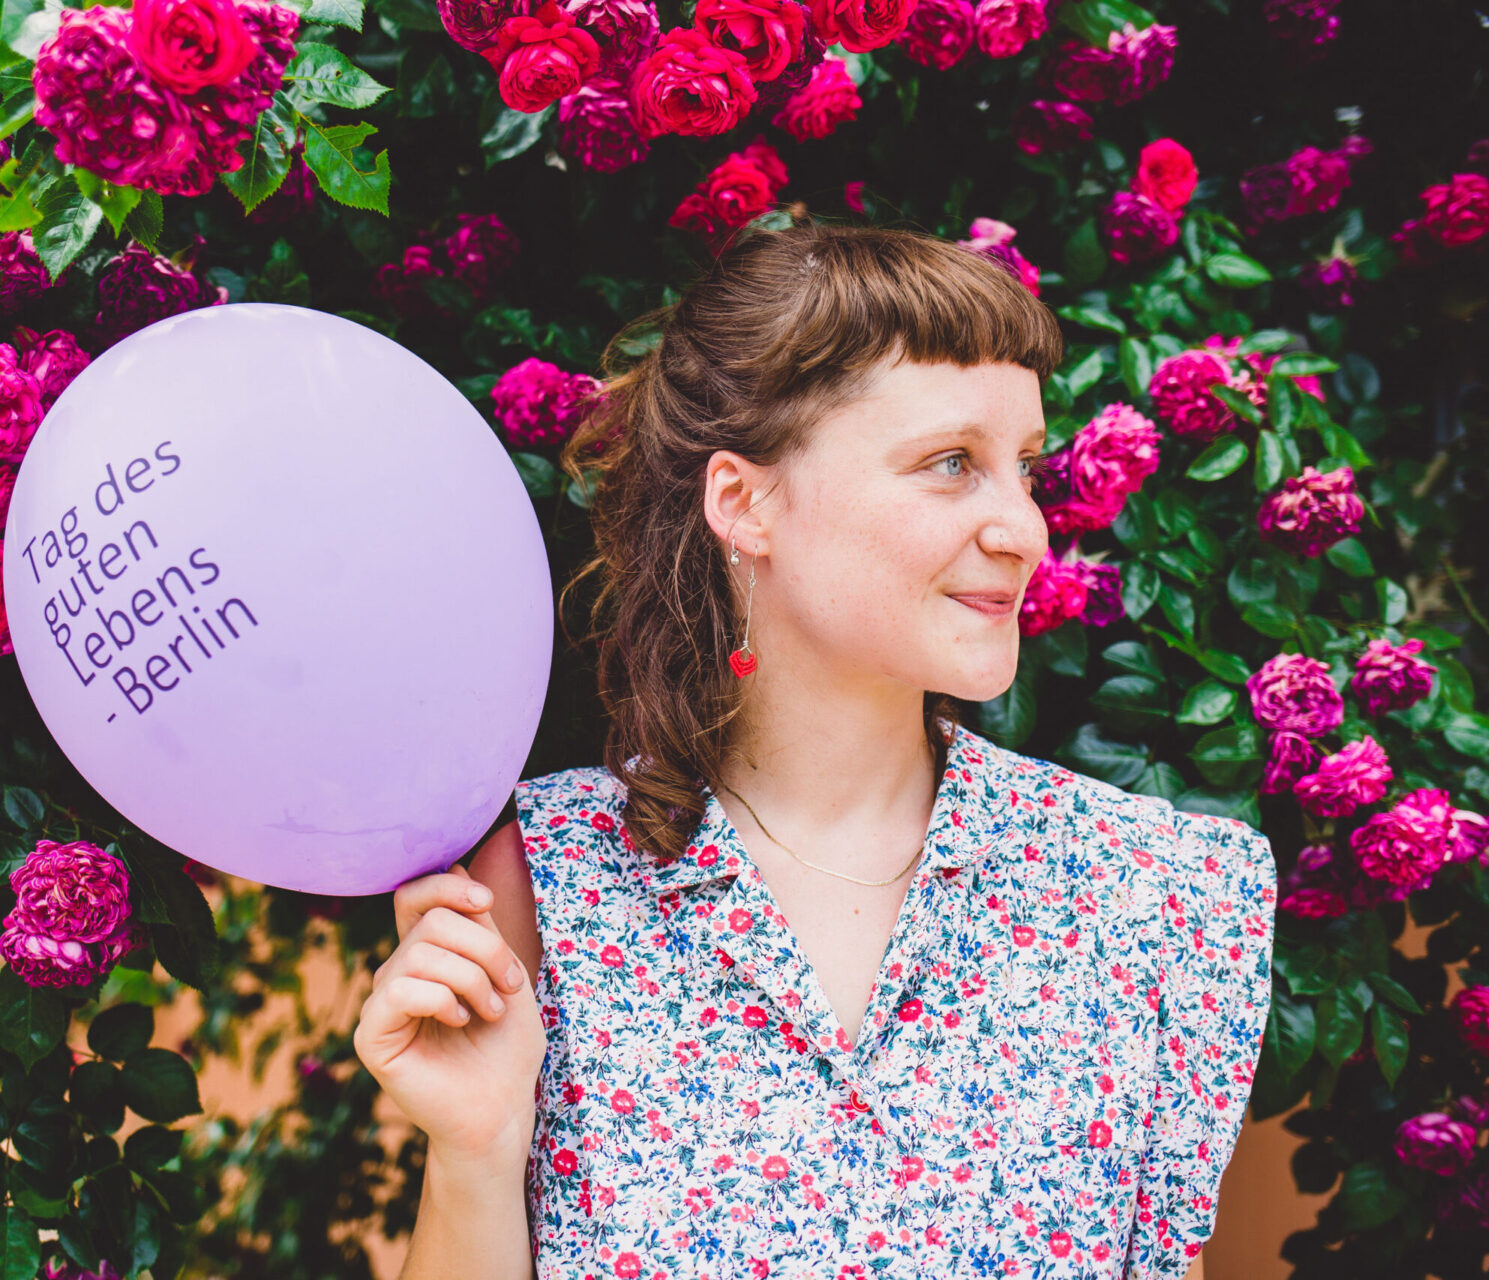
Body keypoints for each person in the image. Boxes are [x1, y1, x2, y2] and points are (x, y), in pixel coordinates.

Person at [355, 221, 1276, 1280]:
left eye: (1023, 469)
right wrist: (472, 1151)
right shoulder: (548, 881)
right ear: (745, 503)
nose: (1025, 528)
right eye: (950, 464)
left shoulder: (1154, 892)